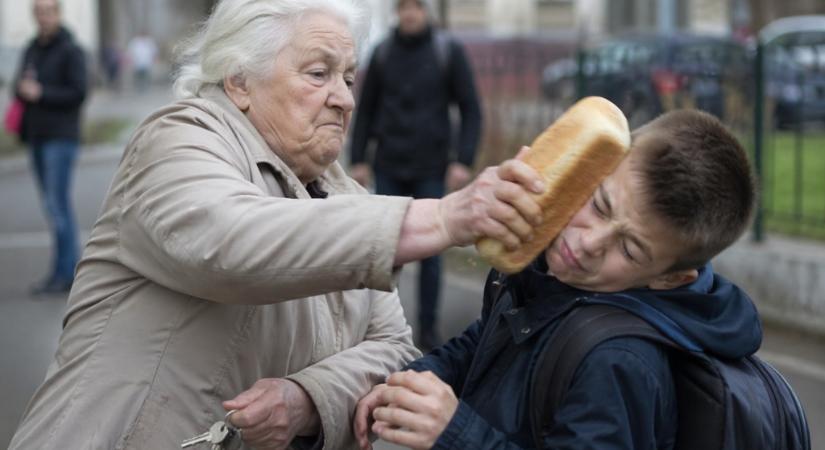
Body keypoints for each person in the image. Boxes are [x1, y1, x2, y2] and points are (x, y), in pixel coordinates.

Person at [8, 1, 545, 449]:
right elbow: (229, 242)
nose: (346, 98)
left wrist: (309, 398)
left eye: (349, 77)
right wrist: (446, 215)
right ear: (240, 80)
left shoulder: (344, 194)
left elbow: (394, 346)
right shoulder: (178, 141)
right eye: (319, 73)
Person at [354, 110, 759, 450]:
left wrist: (455, 433)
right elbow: (486, 343)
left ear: (671, 278)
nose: (587, 244)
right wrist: (409, 383)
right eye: (600, 205)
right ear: (595, 164)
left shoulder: (621, 362)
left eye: (631, 250)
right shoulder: (551, 274)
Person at [349, 0, 483, 351]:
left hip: (431, 168)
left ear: (427, 11)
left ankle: (426, 329)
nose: (409, 14)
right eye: (404, 7)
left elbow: (471, 108)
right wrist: (358, 159)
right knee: (382, 251)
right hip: (389, 165)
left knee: (432, 253)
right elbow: (365, 110)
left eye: (416, 7)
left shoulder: (446, 51)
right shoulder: (383, 53)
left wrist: (463, 160)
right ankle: (380, 330)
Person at [12, 0, 87, 294]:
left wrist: (42, 93)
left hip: (61, 137)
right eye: (39, 12)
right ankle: (64, 270)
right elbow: (17, 85)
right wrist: (21, 87)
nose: (43, 17)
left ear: (58, 14)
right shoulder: (31, 48)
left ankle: (66, 274)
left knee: (58, 206)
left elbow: (79, 92)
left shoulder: (71, 50)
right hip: (37, 137)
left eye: (48, 11)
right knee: (52, 206)